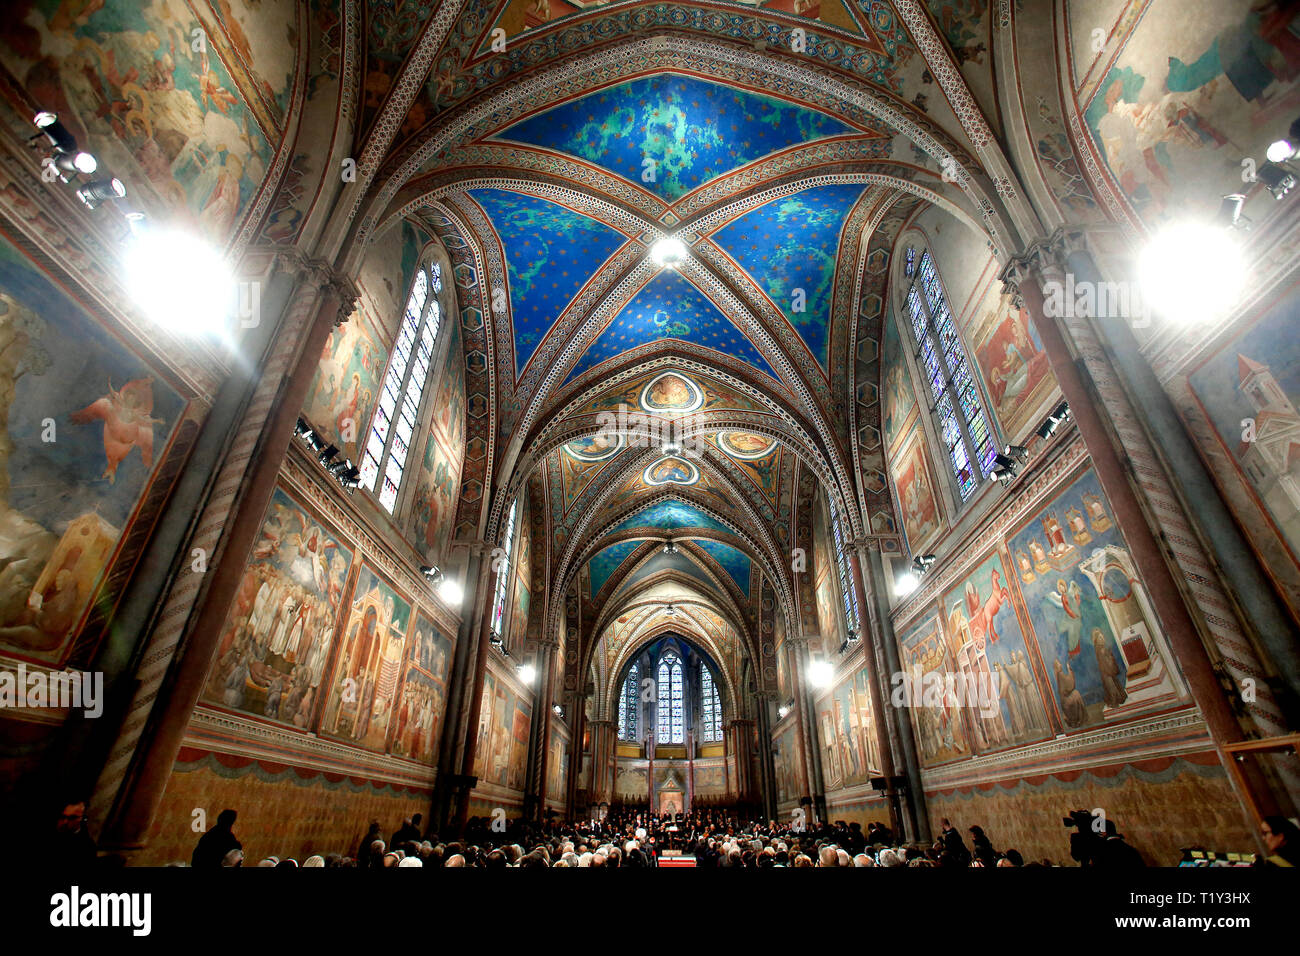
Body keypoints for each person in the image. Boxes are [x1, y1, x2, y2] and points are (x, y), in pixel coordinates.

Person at [51, 799, 97, 867]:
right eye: (63, 817)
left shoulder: (87, 845)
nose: (65, 822)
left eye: (72, 818)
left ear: (82, 818)